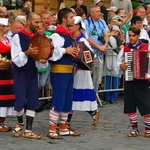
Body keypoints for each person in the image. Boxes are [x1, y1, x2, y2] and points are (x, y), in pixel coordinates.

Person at [11, 12, 47, 139]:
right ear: (28, 22)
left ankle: (28, 130)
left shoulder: (39, 37)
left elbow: (40, 56)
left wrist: (42, 60)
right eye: (36, 22)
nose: (39, 25)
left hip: (32, 72)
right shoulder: (17, 37)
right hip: (21, 72)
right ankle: (20, 122)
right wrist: (27, 53)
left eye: (40, 22)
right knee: (20, 100)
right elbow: (15, 58)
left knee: (33, 100)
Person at [47, 8, 79, 139]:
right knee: (58, 99)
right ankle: (52, 128)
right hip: (59, 72)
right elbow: (51, 53)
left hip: (68, 71)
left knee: (67, 100)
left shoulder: (67, 35)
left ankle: (63, 127)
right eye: (71, 17)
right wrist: (66, 50)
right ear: (64, 19)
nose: (74, 19)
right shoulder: (57, 35)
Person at [115, 26, 150, 138]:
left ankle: (148, 129)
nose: (131, 38)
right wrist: (121, 66)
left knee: (146, 105)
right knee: (130, 105)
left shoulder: (146, 48)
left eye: (133, 36)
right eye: (129, 35)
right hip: (129, 80)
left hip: (142, 81)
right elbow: (118, 63)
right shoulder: (125, 49)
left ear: (138, 36)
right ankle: (135, 129)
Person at [67, 16, 100, 129]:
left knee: (75, 94)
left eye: (71, 26)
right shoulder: (74, 38)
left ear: (77, 26)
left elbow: (90, 55)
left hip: (80, 72)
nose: (69, 28)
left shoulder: (81, 39)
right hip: (76, 71)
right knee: (72, 95)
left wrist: (78, 65)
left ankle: (92, 112)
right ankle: (67, 121)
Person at [84, 5, 108, 92]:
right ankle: (87, 94)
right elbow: (87, 37)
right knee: (88, 75)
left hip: (100, 54)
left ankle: (95, 94)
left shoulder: (102, 22)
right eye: (97, 11)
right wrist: (99, 47)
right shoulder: (86, 23)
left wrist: (104, 46)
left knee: (98, 77)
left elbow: (106, 34)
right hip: (90, 53)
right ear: (91, 13)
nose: (99, 13)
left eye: (99, 11)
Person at [0, 18, 16, 132]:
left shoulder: (6, 39)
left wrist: (9, 61)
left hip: (7, 70)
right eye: (6, 27)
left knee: (7, 95)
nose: (8, 28)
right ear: (1, 27)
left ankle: (2, 122)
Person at [103, 25, 124, 104]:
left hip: (107, 59)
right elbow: (121, 47)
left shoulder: (105, 38)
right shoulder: (116, 38)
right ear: (116, 31)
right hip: (115, 58)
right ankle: (114, 98)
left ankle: (107, 97)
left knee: (107, 79)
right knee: (115, 79)